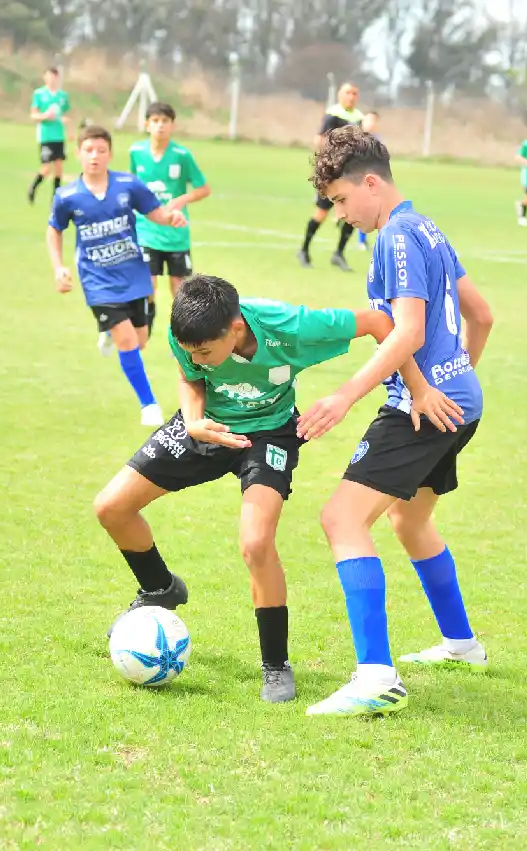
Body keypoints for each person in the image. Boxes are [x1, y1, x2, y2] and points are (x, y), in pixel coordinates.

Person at [92, 274, 397, 703]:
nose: (197, 357)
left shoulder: (292, 326)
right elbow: (190, 377)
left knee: (256, 543)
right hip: (208, 427)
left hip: (269, 436)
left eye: (205, 351)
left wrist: (385, 390)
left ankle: (275, 665)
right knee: (111, 507)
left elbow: (379, 323)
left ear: (235, 329)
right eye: (191, 350)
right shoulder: (188, 331)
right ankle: (160, 588)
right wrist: (194, 419)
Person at [298, 126, 495, 717]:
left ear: (372, 183)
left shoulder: (395, 238)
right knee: (410, 522)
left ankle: (376, 676)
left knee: (341, 519)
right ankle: (463, 644)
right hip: (462, 403)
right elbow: (482, 315)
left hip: (426, 409)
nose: (339, 214)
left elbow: (405, 331)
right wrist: (452, 378)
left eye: (340, 200)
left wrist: (345, 396)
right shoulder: (428, 227)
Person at [47, 126, 186, 426]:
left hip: (134, 275)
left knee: (141, 339)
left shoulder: (128, 185)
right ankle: (148, 404)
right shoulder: (67, 196)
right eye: (88, 150)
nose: (94, 156)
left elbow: (155, 212)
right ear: (78, 154)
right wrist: (59, 266)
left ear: (110, 154)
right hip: (98, 281)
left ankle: (107, 332)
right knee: (126, 340)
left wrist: (171, 218)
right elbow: (54, 229)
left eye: (101, 150)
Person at [129, 102, 210, 333]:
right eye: (155, 121)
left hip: (176, 233)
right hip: (147, 230)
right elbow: (133, 186)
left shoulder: (182, 155)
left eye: (165, 121)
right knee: (148, 286)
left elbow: (203, 188)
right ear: (147, 125)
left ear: (172, 125)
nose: (160, 126)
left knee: (181, 291)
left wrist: (182, 199)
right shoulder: (136, 152)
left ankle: (183, 337)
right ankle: (145, 329)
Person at [298, 82, 363, 272]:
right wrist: (327, 165)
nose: (351, 96)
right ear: (340, 95)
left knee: (353, 214)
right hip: (332, 174)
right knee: (321, 212)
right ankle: (304, 250)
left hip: (349, 174)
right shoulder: (333, 115)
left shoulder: (358, 117)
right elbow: (319, 140)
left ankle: (339, 254)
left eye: (354, 93)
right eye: (348, 93)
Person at [28, 67, 73, 206]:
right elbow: (33, 115)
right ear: (45, 78)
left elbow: (66, 115)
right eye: (49, 76)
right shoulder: (39, 94)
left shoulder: (63, 96)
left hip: (59, 136)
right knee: (46, 168)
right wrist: (45, 116)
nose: (51, 79)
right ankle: (33, 188)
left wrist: (70, 129)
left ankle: (56, 199)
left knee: (59, 168)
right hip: (46, 136)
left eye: (54, 77)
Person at [356, 111, 382, 252]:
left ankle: (362, 240)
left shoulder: (377, 139)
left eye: (374, 120)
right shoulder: (355, 136)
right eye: (369, 119)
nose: (371, 123)